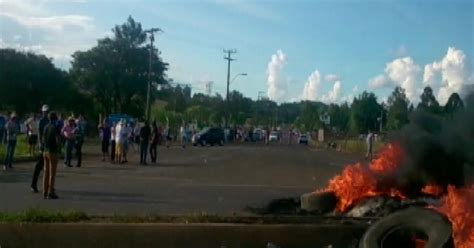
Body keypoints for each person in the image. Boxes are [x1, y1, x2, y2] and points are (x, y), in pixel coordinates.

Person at [31, 104, 49, 193]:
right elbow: (39, 134)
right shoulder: (41, 121)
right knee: (39, 166)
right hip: (43, 145)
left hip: (48, 146)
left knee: (48, 167)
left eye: (47, 111)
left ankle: (48, 186)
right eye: (44, 111)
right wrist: (40, 144)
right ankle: (33, 184)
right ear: (42, 112)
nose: (46, 113)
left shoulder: (49, 120)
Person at [43, 112, 61, 199]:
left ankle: (45, 190)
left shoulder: (46, 127)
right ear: (56, 118)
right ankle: (51, 191)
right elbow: (57, 140)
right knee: (52, 173)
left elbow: (43, 138)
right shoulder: (55, 127)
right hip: (53, 151)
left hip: (45, 151)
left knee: (46, 172)